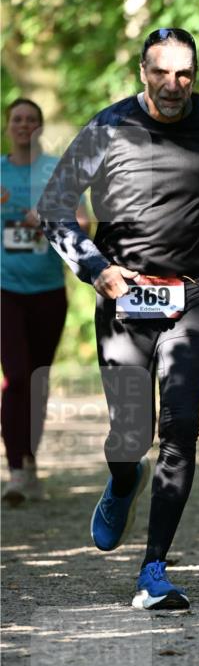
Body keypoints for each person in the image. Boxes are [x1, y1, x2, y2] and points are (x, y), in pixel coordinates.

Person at [38, 27, 199, 611]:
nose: (173, 84)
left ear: (196, 75)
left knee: (180, 431)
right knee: (131, 435)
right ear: (142, 72)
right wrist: (95, 269)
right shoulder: (107, 127)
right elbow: (54, 208)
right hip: (124, 296)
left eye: (184, 73)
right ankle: (123, 480)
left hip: (192, 295)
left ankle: (153, 567)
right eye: (162, 72)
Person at [1, 98, 89, 506]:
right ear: (8, 127)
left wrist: (50, 216)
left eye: (31, 120)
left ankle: (31, 460)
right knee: (16, 377)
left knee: (36, 379)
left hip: (48, 290)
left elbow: (85, 223)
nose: (23, 126)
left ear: (39, 127)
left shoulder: (56, 170)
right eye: (17, 119)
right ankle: (16, 469)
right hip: (5, 290)